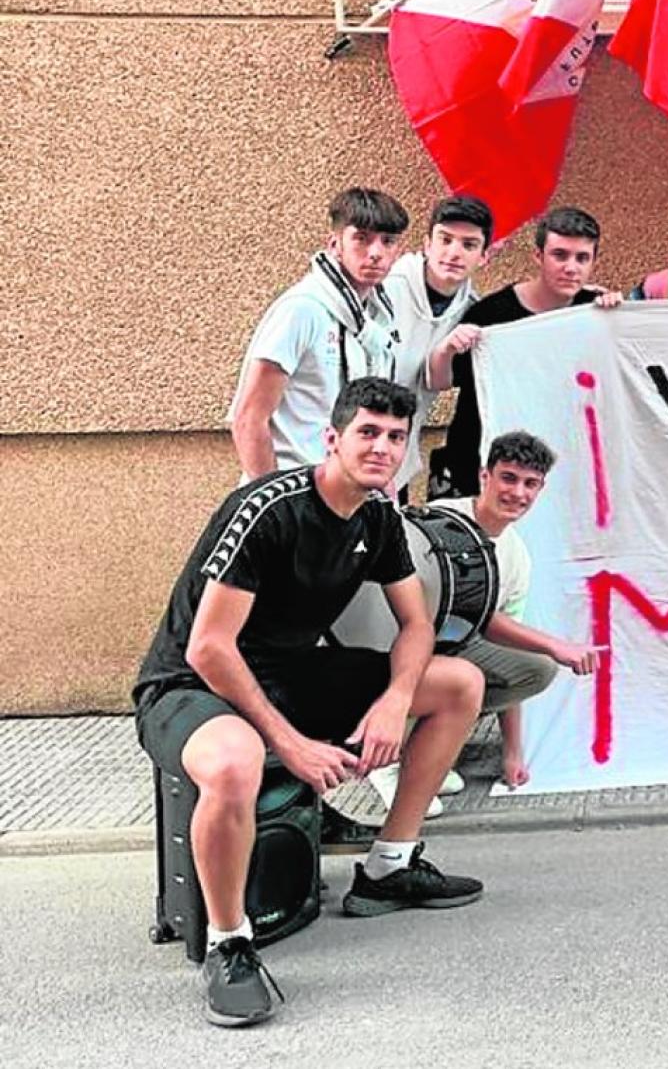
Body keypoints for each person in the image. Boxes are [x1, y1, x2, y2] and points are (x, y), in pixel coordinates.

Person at [133, 378, 487, 1028]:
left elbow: (416, 623)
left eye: (395, 438)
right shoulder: (270, 510)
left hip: (290, 673)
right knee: (239, 760)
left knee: (459, 684)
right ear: (332, 439)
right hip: (190, 684)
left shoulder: (378, 517)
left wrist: (394, 702)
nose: (382, 448)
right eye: (368, 433)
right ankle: (229, 943)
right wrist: (290, 744)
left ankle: (389, 866)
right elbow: (210, 649)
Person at [370, 431, 598, 803]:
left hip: (451, 648)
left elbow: (498, 637)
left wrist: (513, 752)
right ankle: (385, 757)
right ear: (484, 477)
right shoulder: (442, 519)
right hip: (398, 645)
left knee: (536, 669)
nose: (518, 493)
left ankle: (423, 752)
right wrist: (556, 644)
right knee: (460, 662)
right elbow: (464, 607)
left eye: (530, 484)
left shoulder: (517, 558)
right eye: (508, 478)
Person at [426, 206, 622, 498]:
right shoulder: (490, 313)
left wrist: (620, 317)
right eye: (560, 255)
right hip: (475, 470)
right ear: (538, 256)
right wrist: (446, 348)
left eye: (582, 258)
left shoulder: (595, 311)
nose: (571, 267)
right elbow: (441, 381)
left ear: (595, 261)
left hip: (555, 474)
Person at [227, 188, 408, 480]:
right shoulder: (302, 309)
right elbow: (248, 418)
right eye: (362, 238)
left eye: (387, 241)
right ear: (336, 244)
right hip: (293, 489)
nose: (375, 253)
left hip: (346, 493)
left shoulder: (380, 318)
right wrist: (275, 502)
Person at [379, 194, 493, 499]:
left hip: (400, 451)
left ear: (484, 256)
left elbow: (436, 382)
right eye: (445, 240)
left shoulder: (472, 310)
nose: (454, 253)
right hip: (355, 448)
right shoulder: (386, 287)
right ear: (427, 244)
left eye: (468, 245)